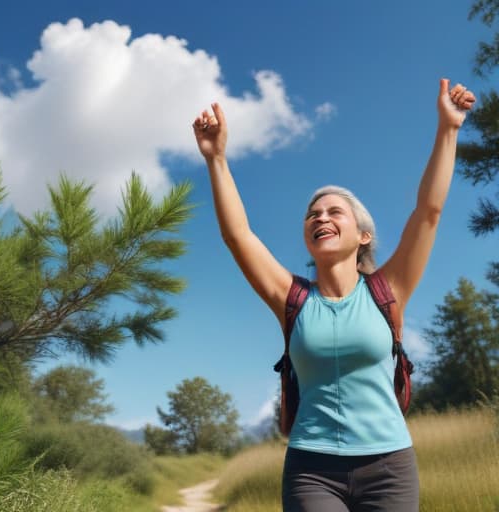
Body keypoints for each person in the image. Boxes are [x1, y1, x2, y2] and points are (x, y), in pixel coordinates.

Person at [192, 79, 475, 512]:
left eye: (333, 211)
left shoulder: (388, 289)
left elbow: (428, 213)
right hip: (312, 470)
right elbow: (238, 236)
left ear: (363, 235)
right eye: (312, 214)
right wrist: (216, 159)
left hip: (390, 468)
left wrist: (448, 129)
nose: (320, 217)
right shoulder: (292, 298)